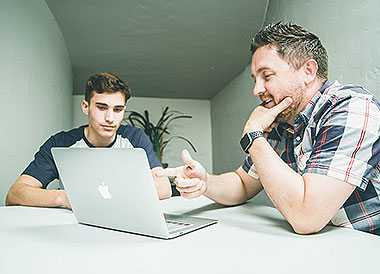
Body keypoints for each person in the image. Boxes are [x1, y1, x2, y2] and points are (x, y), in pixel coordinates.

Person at [157, 22, 380, 235]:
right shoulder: (281, 122)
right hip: (322, 246)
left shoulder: (353, 107)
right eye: (255, 79)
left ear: (309, 71)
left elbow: (307, 217)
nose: (256, 89)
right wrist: (206, 182)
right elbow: (243, 183)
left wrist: (254, 136)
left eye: (267, 76)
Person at [6, 72, 171, 208]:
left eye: (118, 109)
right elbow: (15, 194)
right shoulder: (60, 143)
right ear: (86, 107)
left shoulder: (135, 138)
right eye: (101, 107)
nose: (110, 118)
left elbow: (164, 187)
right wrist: (64, 198)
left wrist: (108, 195)